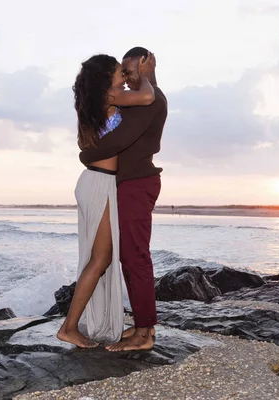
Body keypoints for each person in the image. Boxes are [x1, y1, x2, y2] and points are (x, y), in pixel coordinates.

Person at [57, 52, 157, 348]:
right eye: (119, 73)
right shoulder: (112, 98)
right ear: (106, 80)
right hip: (100, 182)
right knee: (100, 259)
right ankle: (69, 327)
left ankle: (75, 324)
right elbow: (147, 97)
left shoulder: (94, 103)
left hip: (95, 181)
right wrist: (145, 74)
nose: (124, 79)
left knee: (100, 258)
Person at [79, 46, 168, 351]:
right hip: (126, 184)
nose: (127, 79)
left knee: (135, 257)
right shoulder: (139, 100)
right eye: (124, 73)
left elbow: (117, 141)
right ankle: (143, 325)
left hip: (137, 183)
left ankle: (145, 334)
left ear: (145, 65)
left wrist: (85, 155)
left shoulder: (152, 100)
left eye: (130, 72)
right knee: (128, 256)